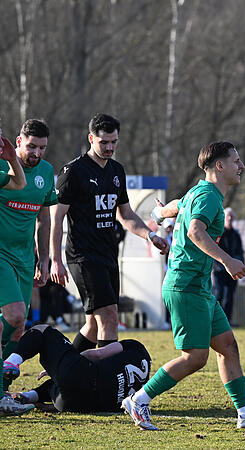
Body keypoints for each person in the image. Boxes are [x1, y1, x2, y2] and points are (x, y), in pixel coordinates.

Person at [124, 141, 245, 430]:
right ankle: (139, 399)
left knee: (227, 346)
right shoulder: (209, 197)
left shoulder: (199, 192)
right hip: (186, 286)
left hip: (198, 288)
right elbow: (196, 231)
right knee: (195, 358)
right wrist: (227, 260)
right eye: (236, 161)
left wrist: (159, 215)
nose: (242, 166)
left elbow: (177, 205)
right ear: (219, 166)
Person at [50, 114, 169, 352]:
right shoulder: (73, 171)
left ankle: (62, 370)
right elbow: (56, 217)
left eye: (113, 142)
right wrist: (55, 260)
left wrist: (150, 236)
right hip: (84, 256)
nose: (109, 147)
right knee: (110, 317)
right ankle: (109, 374)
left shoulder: (116, 171)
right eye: (104, 142)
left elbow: (126, 215)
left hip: (108, 255)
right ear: (91, 138)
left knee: (94, 326)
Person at [0, 119, 56, 400]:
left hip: (24, 257)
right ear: (18, 142)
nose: (36, 153)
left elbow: (44, 219)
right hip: (1, 253)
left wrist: (44, 260)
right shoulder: (3, 166)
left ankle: (2, 391)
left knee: (18, 327)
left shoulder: (46, 172)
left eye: (42, 148)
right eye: (32, 146)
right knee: (14, 315)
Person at [4, 324, 150, 413]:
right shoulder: (142, 390)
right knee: (61, 383)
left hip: (81, 378)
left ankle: (10, 363)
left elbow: (98, 354)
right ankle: (29, 396)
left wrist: (70, 359)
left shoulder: (136, 347)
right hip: (72, 404)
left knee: (42, 331)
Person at [213, 208, 243, 322]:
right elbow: (212, 249)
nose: (229, 218)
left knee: (230, 296)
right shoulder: (218, 233)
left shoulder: (236, 235)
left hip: (233, 270)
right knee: (219, 294)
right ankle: (216, 321)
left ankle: (227, 322)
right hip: (220, 269)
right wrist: (214, 264)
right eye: (227, 216)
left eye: (231, 216)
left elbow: (239, 251)